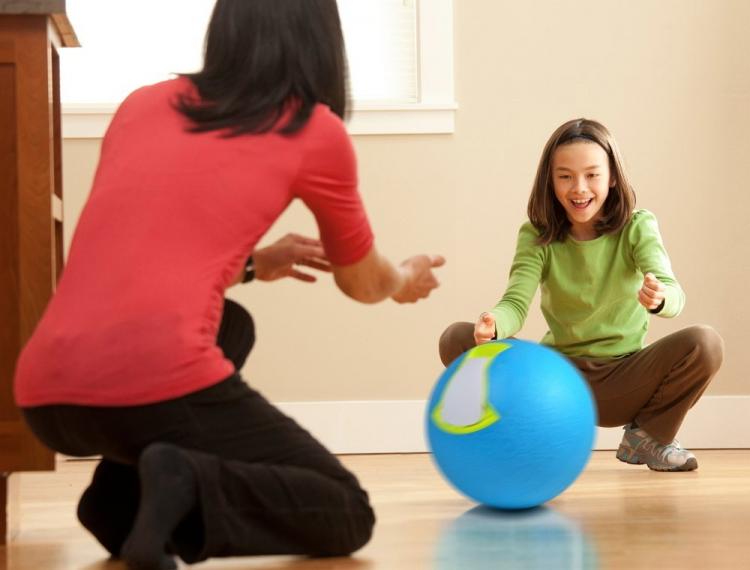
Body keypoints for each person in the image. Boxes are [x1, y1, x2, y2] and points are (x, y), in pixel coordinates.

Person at [13, 1, 444, 568]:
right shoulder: (311, 129)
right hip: (149, 384)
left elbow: (133, 255)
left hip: (47, 396)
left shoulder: (141, 105)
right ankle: (184, 479)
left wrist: (250, 264)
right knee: (345, 511)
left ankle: (118, 506)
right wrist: (403, 277)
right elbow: (363, 283)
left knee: (231, 325)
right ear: (321, 38)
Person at [439, 118, 723, 473]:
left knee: (705, 343)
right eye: (565, 176)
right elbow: (515, 303)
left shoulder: (637, 226)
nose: (579, 188)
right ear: (550, 181)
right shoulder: (537, 235)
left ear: (613, 177)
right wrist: (493, 324)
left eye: (592, 175)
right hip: (554, 381)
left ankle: (648, 437)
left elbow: (673, 294)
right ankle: (521, 435)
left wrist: (660, 297)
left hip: (622, 380)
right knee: (456, 338)